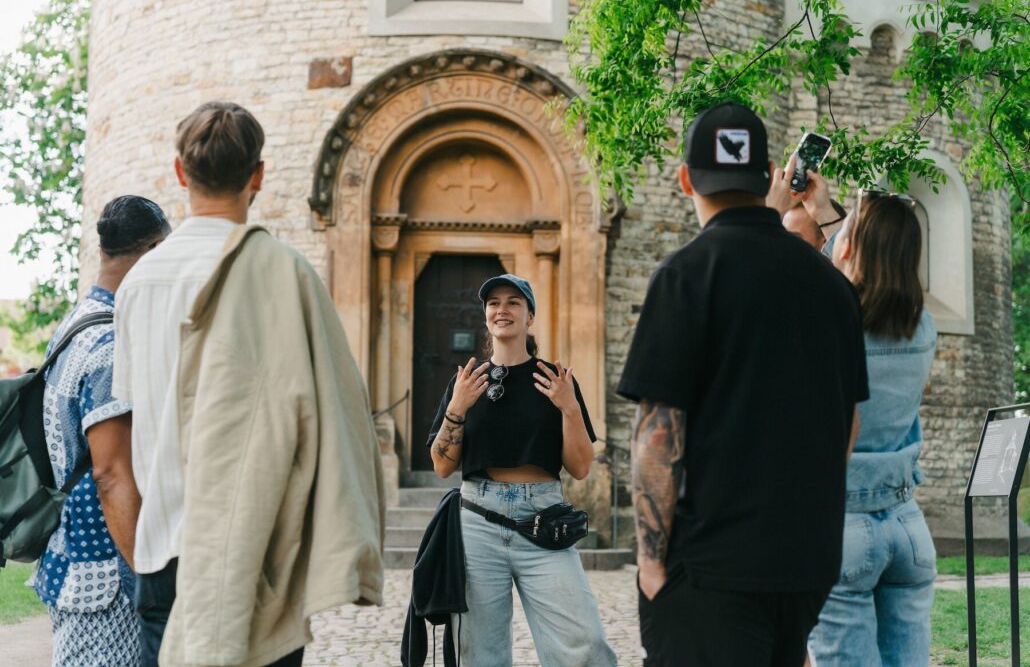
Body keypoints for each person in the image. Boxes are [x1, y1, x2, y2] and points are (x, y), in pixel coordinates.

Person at [111, 101, 384, 667]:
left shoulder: (137, 285)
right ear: (258, 175)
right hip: (258, 549)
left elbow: (133, 419)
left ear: (181, 172)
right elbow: (333, 416)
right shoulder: (286, 272)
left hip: (164, 549)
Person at [618, 102, 868, 667]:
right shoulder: (833, 288)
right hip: (806, 564)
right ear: (770, 175)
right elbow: (848, 424)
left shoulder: (685, 274)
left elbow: (658, 435)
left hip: (712, 568)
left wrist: (651, 565)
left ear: (686, 179)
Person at [427, 273, 617, 667]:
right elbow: (442, 465)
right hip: (478, 522)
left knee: (585, 646)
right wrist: (457, 407)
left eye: (514, 302)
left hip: (544, 520)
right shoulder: (466, 382)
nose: (503, 309)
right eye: (494, 303)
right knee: (479, 655)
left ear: (530, 316)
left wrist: (569, 407)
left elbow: (580, 467)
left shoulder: (555, 380)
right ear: (486, 315)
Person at [799, 177, 938, 667]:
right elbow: (858, 268)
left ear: (851, 247)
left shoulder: (827, 318)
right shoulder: (922, 325)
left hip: (845, 527)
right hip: (907, 524)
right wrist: (826, 211)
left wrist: (781, 209)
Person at [33, 195, 170, 666]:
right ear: (153, 251)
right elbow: (110, 474)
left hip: (70, 556)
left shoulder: (74, 324)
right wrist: (149, 581)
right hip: (104, 578)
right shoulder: (110, 342)